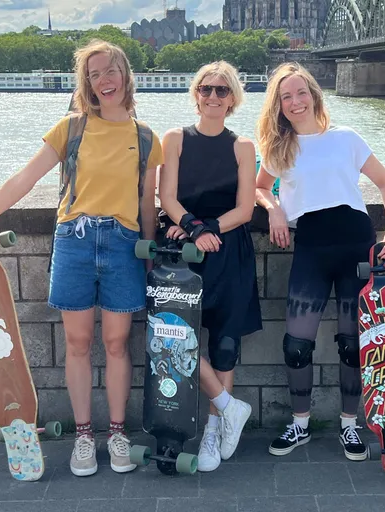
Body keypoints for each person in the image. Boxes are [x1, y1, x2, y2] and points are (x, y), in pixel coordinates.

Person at [0, 40, 164, 477]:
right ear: (87, 83)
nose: (105, 80)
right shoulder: (71, 128)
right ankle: (84, 436)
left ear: (126, 75)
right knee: (79, 344)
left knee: (118, 344)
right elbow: (24, 178)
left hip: (124, 245)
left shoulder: (145, 137)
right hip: (75, 242)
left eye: (112, 71)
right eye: (95, 74)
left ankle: (116, 433)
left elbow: (146, 204)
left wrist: (149, 258)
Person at [254, 62, 385, 460]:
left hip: (357, 247)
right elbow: (259, 188)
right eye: (286, 96)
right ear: (279, 105)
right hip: (312, 250)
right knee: (296, 345)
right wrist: (273, 210)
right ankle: (300, 424)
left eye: (301, 93)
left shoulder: (346, 138)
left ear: (314, 95)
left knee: (353, 345)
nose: (295, 101)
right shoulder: (278, 149)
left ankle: (349, 426)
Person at [157, 60, 260, 471]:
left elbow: (247, 207)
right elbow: (166, 196)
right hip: (185, 251)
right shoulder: (175, 138)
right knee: (174, 334)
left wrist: (210, 228)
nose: (213, 96)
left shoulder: (243, 146)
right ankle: (228, 406)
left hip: (229, 249)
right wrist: (193, 227)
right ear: (195, 94)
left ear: (233, 98)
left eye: (222, 90)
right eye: (206, 89)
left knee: (224, 341)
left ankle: (215, 431)